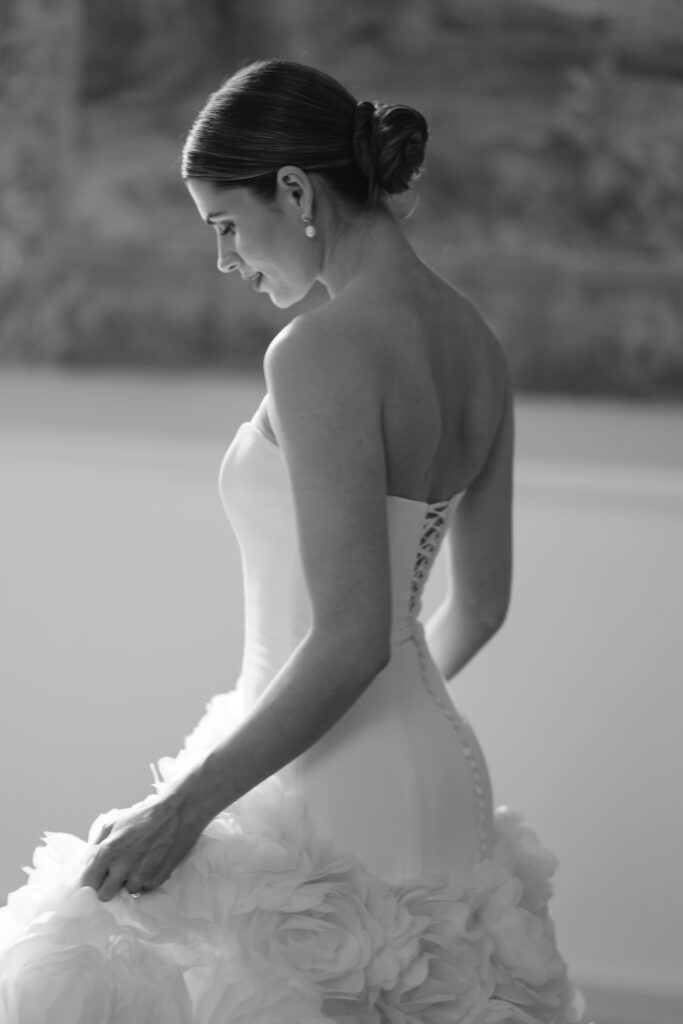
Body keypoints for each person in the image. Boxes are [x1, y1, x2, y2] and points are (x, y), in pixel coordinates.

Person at [0, 60, 592, 1024]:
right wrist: (397, 711)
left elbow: (352, 635)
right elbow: (476, 606)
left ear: (293, 189)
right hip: (437, 775)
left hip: (325, 788)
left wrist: (180, 809)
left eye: (225, 226)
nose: (226, 261)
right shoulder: (477, 341)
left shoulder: (318, 350)